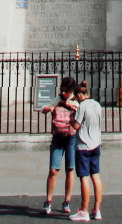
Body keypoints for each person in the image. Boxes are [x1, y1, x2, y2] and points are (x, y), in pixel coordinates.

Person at [42, 80, 79, 215]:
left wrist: (74, 106)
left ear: (72, 90)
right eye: (62, 90)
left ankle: (67, 201)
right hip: (57, 137)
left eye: (66, 91)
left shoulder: (76, 101)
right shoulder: (58, 99)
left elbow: (82, 115)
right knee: (53, 170)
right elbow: (44, 108)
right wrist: (49, 108)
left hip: (71, 137)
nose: (63, 93)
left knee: (70, 169)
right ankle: (48, 201)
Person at [68, 79, 103, 223]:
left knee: (84, 177)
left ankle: (84, 211)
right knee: (96, 176)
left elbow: (76, 126)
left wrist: (71, 118)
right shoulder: (97, 104)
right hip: (96, 144)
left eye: (76, 98)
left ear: (79, 95)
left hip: (83, 146)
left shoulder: (82, 106)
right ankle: (97, 209)